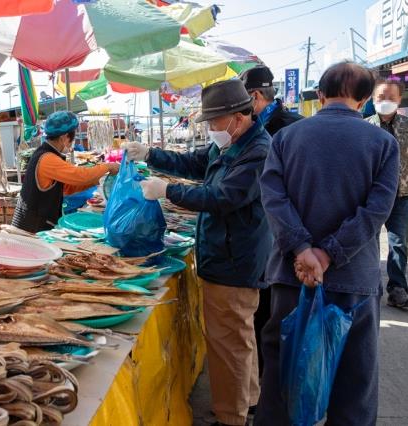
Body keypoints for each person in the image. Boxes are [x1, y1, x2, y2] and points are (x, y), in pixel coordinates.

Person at [255, 62, 400, 426]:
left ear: (319, 94)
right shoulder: (383, 143)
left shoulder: (286, 138)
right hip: (355, 281)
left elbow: (272, 197)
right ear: (365, 99)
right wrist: (328, 252)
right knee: (353, 387)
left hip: (293, 276)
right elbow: (377, 210)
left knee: (280, 382)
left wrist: (305, 250)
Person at [126, 79, 272, 426]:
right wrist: (151, 155)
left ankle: (231, 417)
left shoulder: (257, 151)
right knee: (239, 337)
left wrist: (168, 191)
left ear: (238, 117)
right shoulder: (229, 145)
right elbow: (194, 164)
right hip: (226, 253)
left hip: (234, 260)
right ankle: (247, 401)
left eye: (214, 122)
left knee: (227, 346)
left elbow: (222, 198)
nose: (210, 128)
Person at [240, 65, 304, 376]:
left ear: (254, 97)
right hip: (262, 231)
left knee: (274, 312)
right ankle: (264, 382)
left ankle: (270, 385)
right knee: (264, 312)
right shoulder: (256, 126)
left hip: (282, 231)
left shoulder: (289, 128)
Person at [12, 111, 118, 233]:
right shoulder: (47, 158)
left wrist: (97, 180)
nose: (72, 144)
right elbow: (80, 175)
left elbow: (66, 188)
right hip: (31, 229)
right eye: (71, 140)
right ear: (64, 137)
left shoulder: (48, 154)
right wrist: (107, 167)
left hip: (36, 225)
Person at [367, 78, 408, 308]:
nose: (385, 101)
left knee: (399, 244)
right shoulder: (365, 127)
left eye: (390, 97)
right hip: (371, 195)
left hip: (402, 195)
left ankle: (397, 290)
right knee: (370, 242)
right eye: (380, 97)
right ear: (372, 99)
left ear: (400, 99)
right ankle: (370, 287)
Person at [240, 65, 304, 136]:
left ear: (255, 95)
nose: (241, 103)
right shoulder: (251, 125)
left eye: (243, 97)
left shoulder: (291, 127)